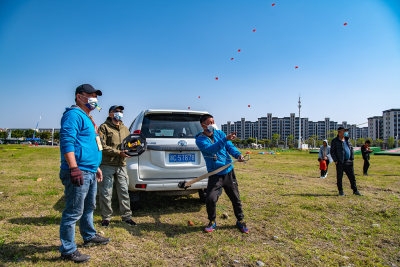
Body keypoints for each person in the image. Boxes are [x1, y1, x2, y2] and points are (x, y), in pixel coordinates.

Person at [59, 84, 110, 263]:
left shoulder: (88, 117)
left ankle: (89, 235)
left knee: (89, 207)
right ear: (79, 96)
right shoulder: (73, 115)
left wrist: (95, 166)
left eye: (96, 96)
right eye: (90, 95)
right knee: (73, 211)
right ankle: (68, 250)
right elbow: (67, 142)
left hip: (89, 170)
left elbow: (90, 145)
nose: (94, 99)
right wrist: (74, 168)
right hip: (78, 171)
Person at [195, 114, 248, 233]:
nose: (212, 124)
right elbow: (211, 149)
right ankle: (212, 222)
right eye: (209, 122)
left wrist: (238, 155)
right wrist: (225, 139)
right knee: (210, 199)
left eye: (213, 121)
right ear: (203, 125)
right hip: (215, 174)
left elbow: (230, 147)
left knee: (236, 198)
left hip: (228, 172)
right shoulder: (200, 139)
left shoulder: (220, 134)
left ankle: (240, 221)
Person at [98, 105, 136, 227]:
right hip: (107, 164)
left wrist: (133, 146)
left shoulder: (125, 128)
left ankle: (126, 216)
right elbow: (101, 146)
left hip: (121, 165)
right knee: (106, 192)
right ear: (110, 114)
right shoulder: (103, 127)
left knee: (124, 191)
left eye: (120, 111)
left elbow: (128, 144)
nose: (119, 113)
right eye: (116, 111)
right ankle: (106, 217)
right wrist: (118, 152)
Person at [330, 127, 362, 196]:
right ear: (339, 132)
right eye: (344, 131)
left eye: (346, 131)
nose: (346, 132)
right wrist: (335, 160)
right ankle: (341, 191)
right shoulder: (335, 141)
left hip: (349, 161)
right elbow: (332, 152)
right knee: (339, 177)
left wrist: (352, 158)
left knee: (352, 177)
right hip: (340, 162)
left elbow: (351, 149)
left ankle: (355, 190)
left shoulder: (347, 140)